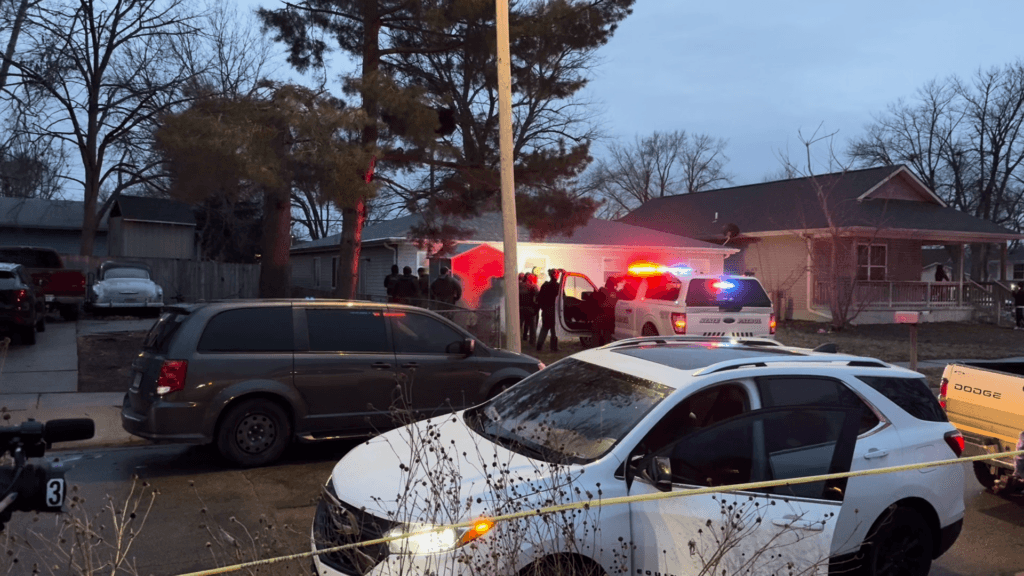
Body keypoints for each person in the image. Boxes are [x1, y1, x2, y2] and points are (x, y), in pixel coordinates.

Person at [536, 269, 560, 352]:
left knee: (544, 328)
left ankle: (539, 346)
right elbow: (562, 298)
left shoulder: (545, 285)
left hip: (546, 311)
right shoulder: (558, 286)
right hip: (554, 311)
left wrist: (543, 307)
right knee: (554, 330)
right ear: (556, 276)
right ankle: (553, 348)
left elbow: (539, 298)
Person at [591, 276, 619, 346]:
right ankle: (606, 347)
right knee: (607, 334)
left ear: (607, 283)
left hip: (602, 314)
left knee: (596, 331)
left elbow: (595, 300)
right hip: (611, 316)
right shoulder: (616, 292)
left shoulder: (602, 290)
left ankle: (595, 348)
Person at [519, 273, 539, 345]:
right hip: (530, 309)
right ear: (530, 279)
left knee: (519, 325)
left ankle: (518, 340)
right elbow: (538, 295)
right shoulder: (533, 286)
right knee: (532, 327)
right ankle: (532, 342)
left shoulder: (519, 285)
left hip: (520, 308)